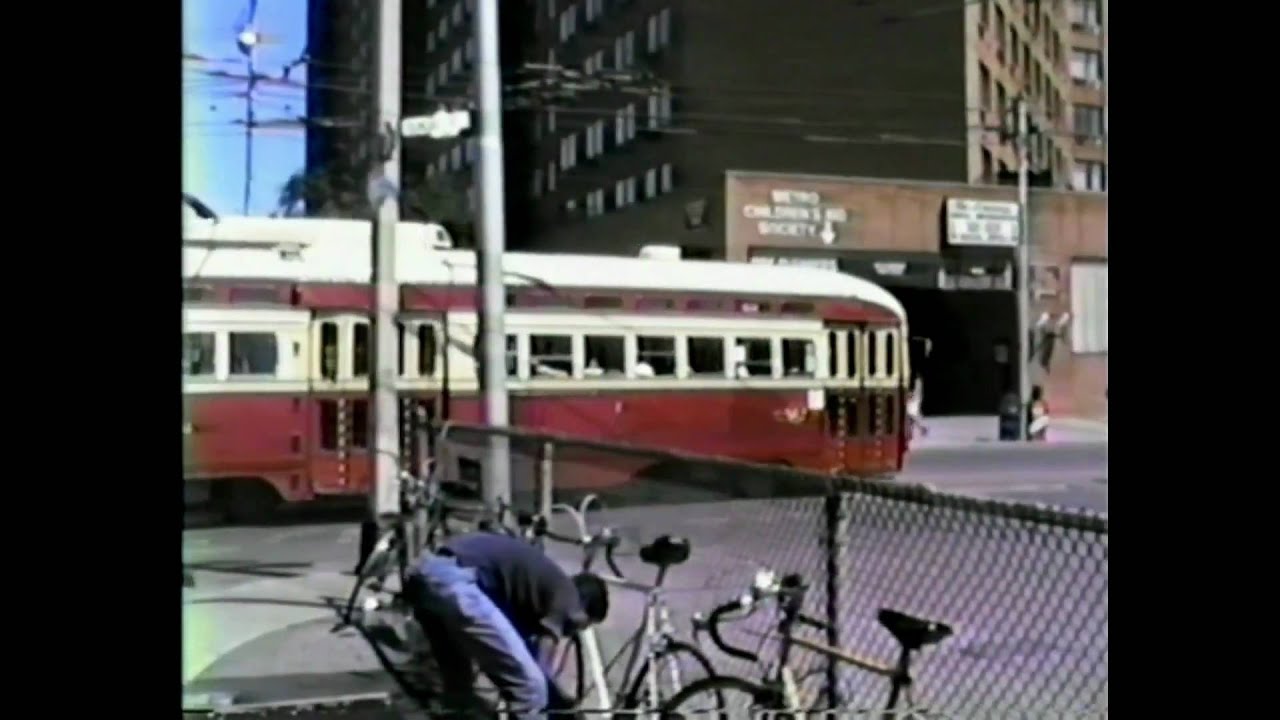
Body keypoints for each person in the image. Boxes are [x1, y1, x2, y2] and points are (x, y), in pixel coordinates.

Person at [405, 531, 609, 718]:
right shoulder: (568, 597)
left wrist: (559, 698)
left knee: (460, 688)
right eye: (582, 625)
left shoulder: (538, 592)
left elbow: (519, 658)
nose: (570, 633)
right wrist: (563, 706)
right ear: (584, 606)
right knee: (531, 689)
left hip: (427, 573)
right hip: (454, 580)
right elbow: (541, 670)